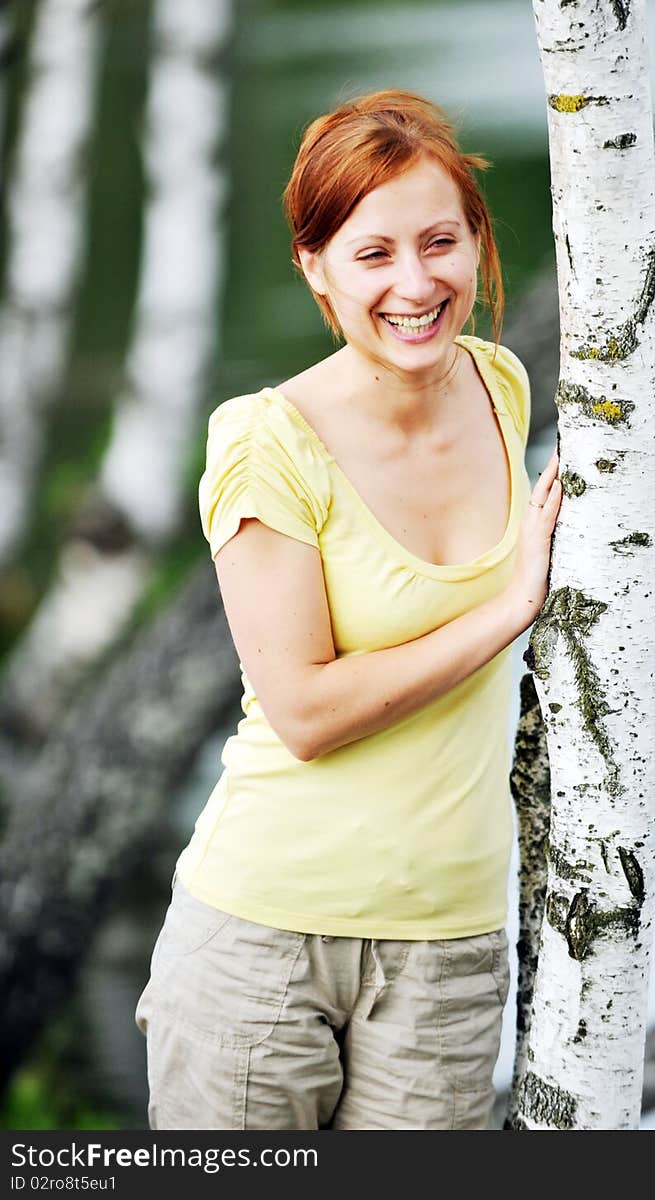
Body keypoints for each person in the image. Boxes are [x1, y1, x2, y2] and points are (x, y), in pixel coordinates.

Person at [134, 88, 561, 1130]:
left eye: (438, 243)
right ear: (314, 268)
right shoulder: (264, 440)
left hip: (449, 951)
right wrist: (507, 609)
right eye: (373, 255)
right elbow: (307, 712)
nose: (416, 285)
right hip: (262, 943)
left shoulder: (502, 389)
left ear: (475, 243)